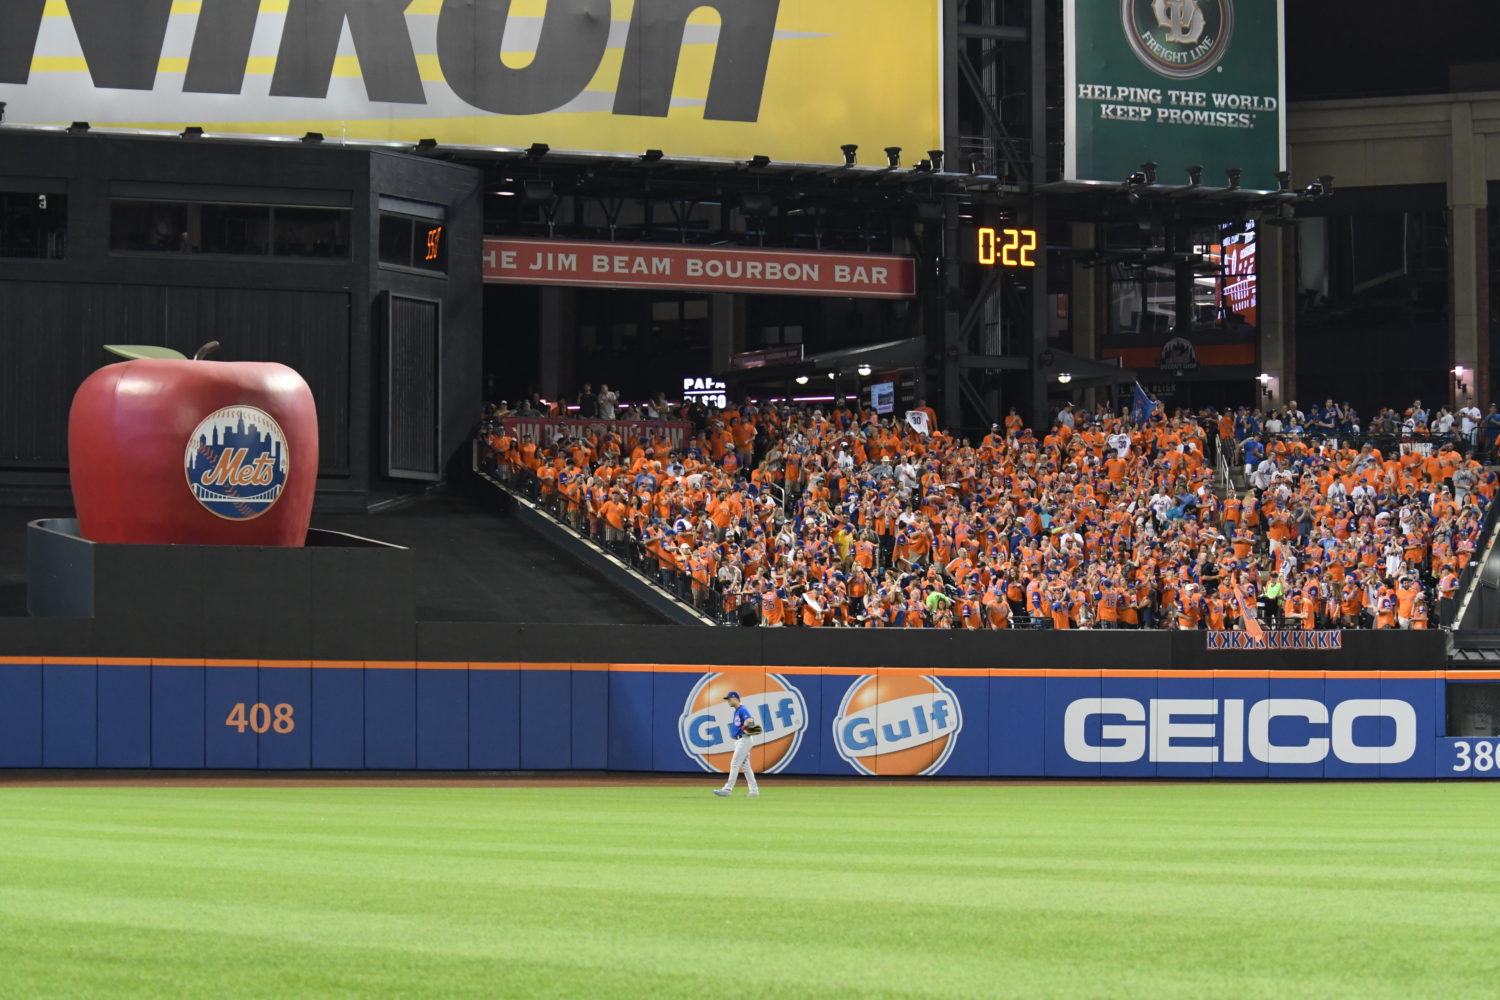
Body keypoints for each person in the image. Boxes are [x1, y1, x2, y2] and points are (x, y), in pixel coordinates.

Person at [712, 691, 760, 797]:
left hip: (744, 739)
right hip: (740, 740)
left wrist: (743, 728)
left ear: (735, 699)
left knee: (734, 764)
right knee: (746, 767)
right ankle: (754, 791)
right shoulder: (737, 710)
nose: (728, 701)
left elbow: (750, 720)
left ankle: (727, 789)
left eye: (729, 699)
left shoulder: (743, 709)